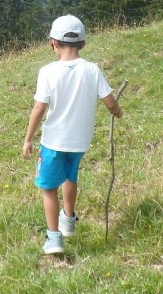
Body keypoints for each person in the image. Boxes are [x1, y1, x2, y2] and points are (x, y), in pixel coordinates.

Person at [22, 15, 123, 254]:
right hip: (80, 141)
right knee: (70, 177)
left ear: (52, 44)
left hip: (54, 141)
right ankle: (68, 218)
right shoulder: (92, 69)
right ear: (83, 44)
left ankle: (54, 238)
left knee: (48, 187)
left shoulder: (47, 71)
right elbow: (109, 101)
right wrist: (117, 111)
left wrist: (28, 139)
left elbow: (39, 108)